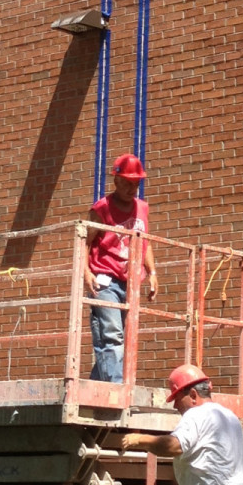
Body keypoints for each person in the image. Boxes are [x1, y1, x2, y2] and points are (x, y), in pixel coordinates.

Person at [86, 153, 157, 383]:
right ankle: (116, 388)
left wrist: (153, 273)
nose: (132, 188)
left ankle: (94, 384)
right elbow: (85, 241)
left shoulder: (142, 209)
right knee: (112, 335)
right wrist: (86, 273)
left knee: (123, 338)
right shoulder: (101, 208)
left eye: (136, 183)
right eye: (127, 182)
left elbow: (144, 242)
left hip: (130, 281)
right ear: (115, 180)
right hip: (104, 278)